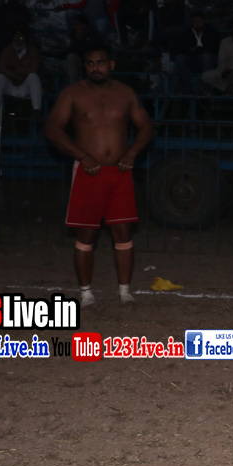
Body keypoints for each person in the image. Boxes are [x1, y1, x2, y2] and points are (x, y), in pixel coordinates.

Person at [45, 44, 154, 306]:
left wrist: (132, 152)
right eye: (90, 63)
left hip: (120, 172)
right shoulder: (73, 93)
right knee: (86, 235)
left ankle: (125, 291)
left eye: (101, 62)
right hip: (88, 172)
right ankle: (86, 292)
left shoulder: (125, 93)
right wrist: (82, 155)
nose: (96, 67)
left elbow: (146, 126)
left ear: (111, 64)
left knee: (123, 231)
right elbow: (53, 129)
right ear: (85, 66)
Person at [0, 29, 43, 113]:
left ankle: (36, 109)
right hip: (11, 85)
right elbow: (2, 68)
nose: (17, 40)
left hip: (25, 85)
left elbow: (34, 69)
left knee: (33, 77)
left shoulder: (32, 51)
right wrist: (15, 75)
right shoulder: (7, 50)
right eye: (15, 38)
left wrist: (16, 70)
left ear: (25, 39)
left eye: (20, 38)